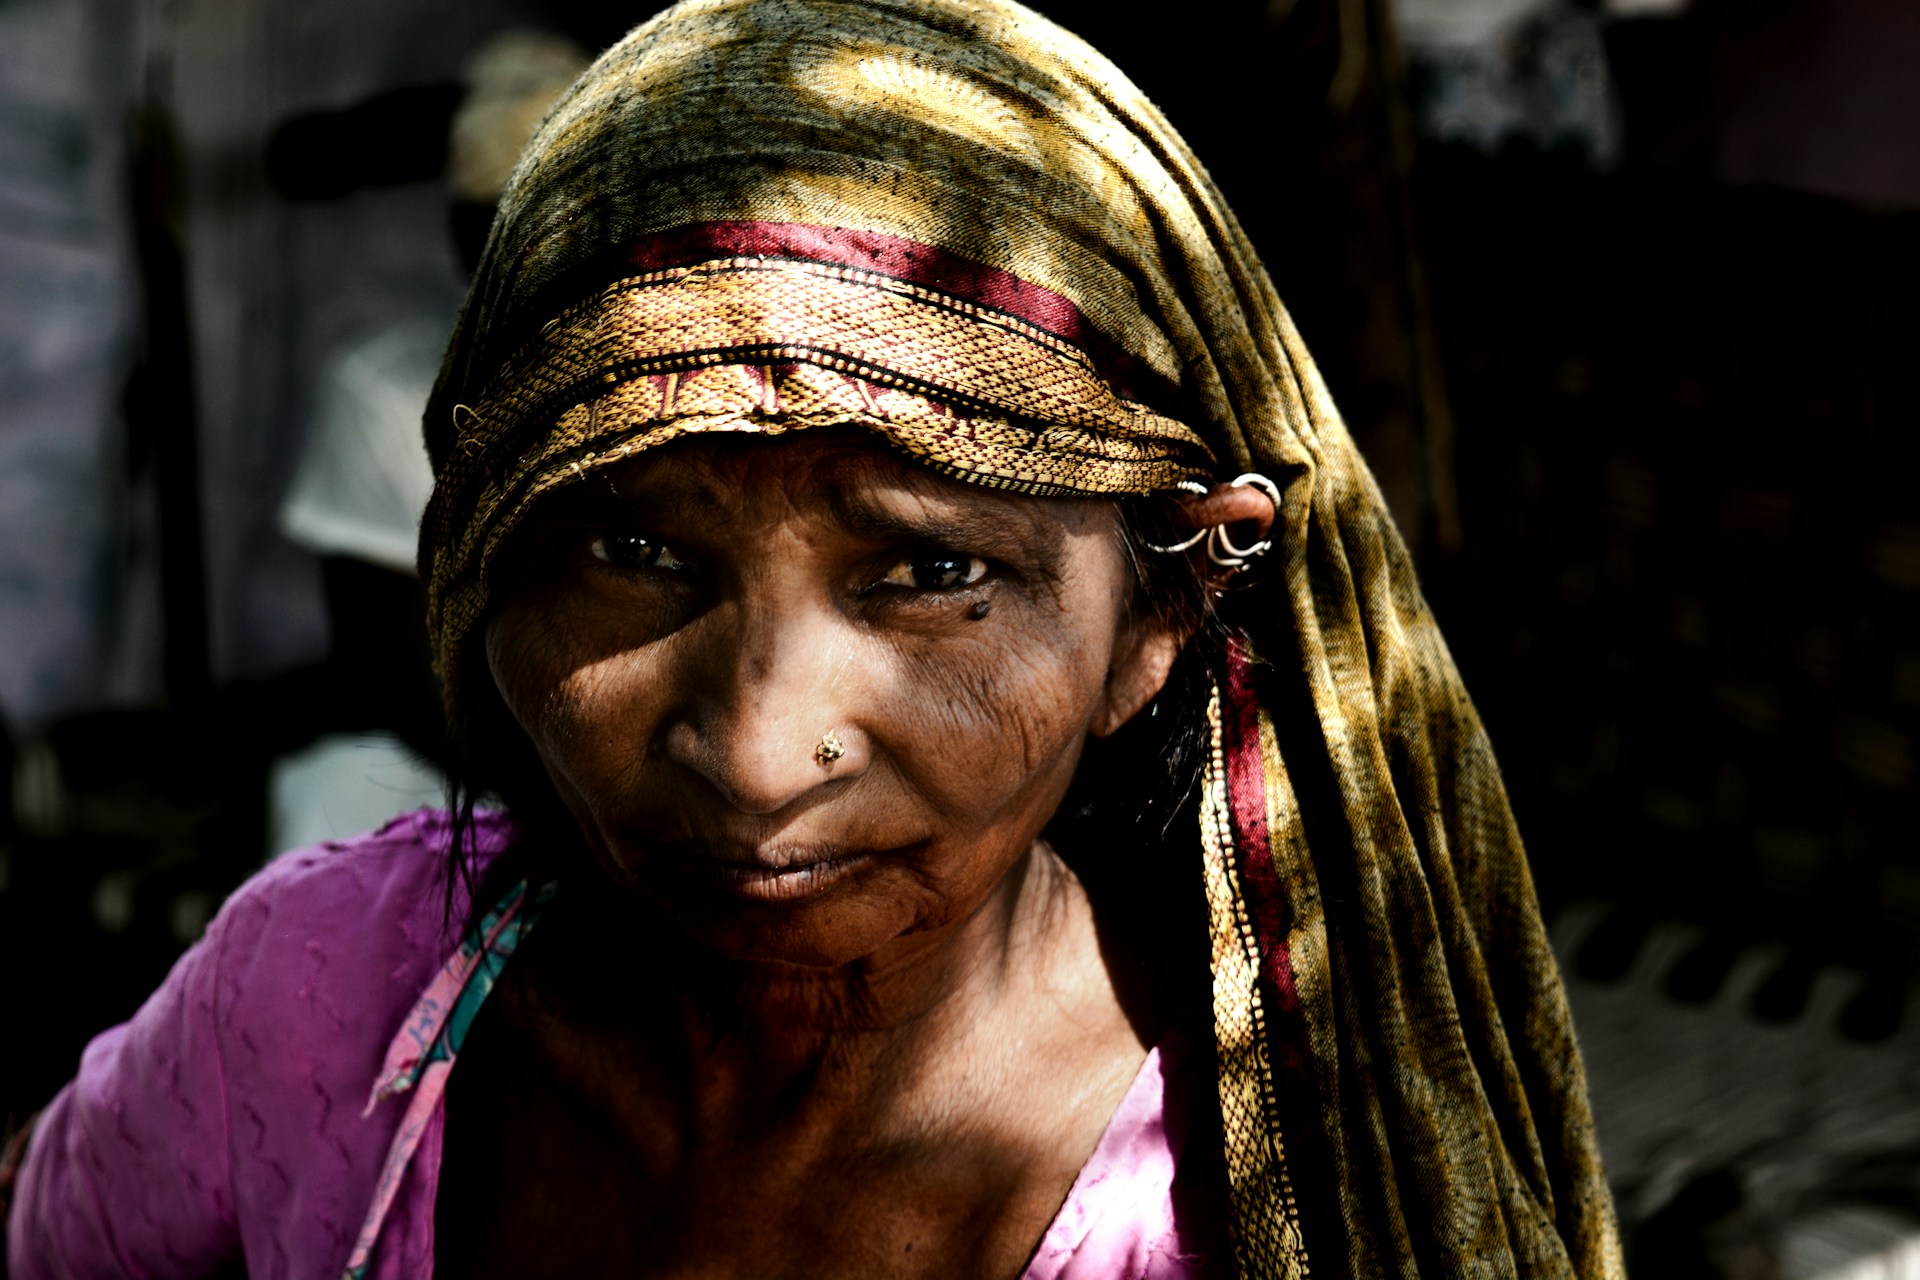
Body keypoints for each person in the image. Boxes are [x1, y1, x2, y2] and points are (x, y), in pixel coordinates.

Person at [3, 0, 1624, 1275]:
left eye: (927, 573)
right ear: (479, 564)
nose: (761, 755)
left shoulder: (1267, 1190)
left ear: (1169, 610)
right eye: (631, 550)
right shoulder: (319, 1003)